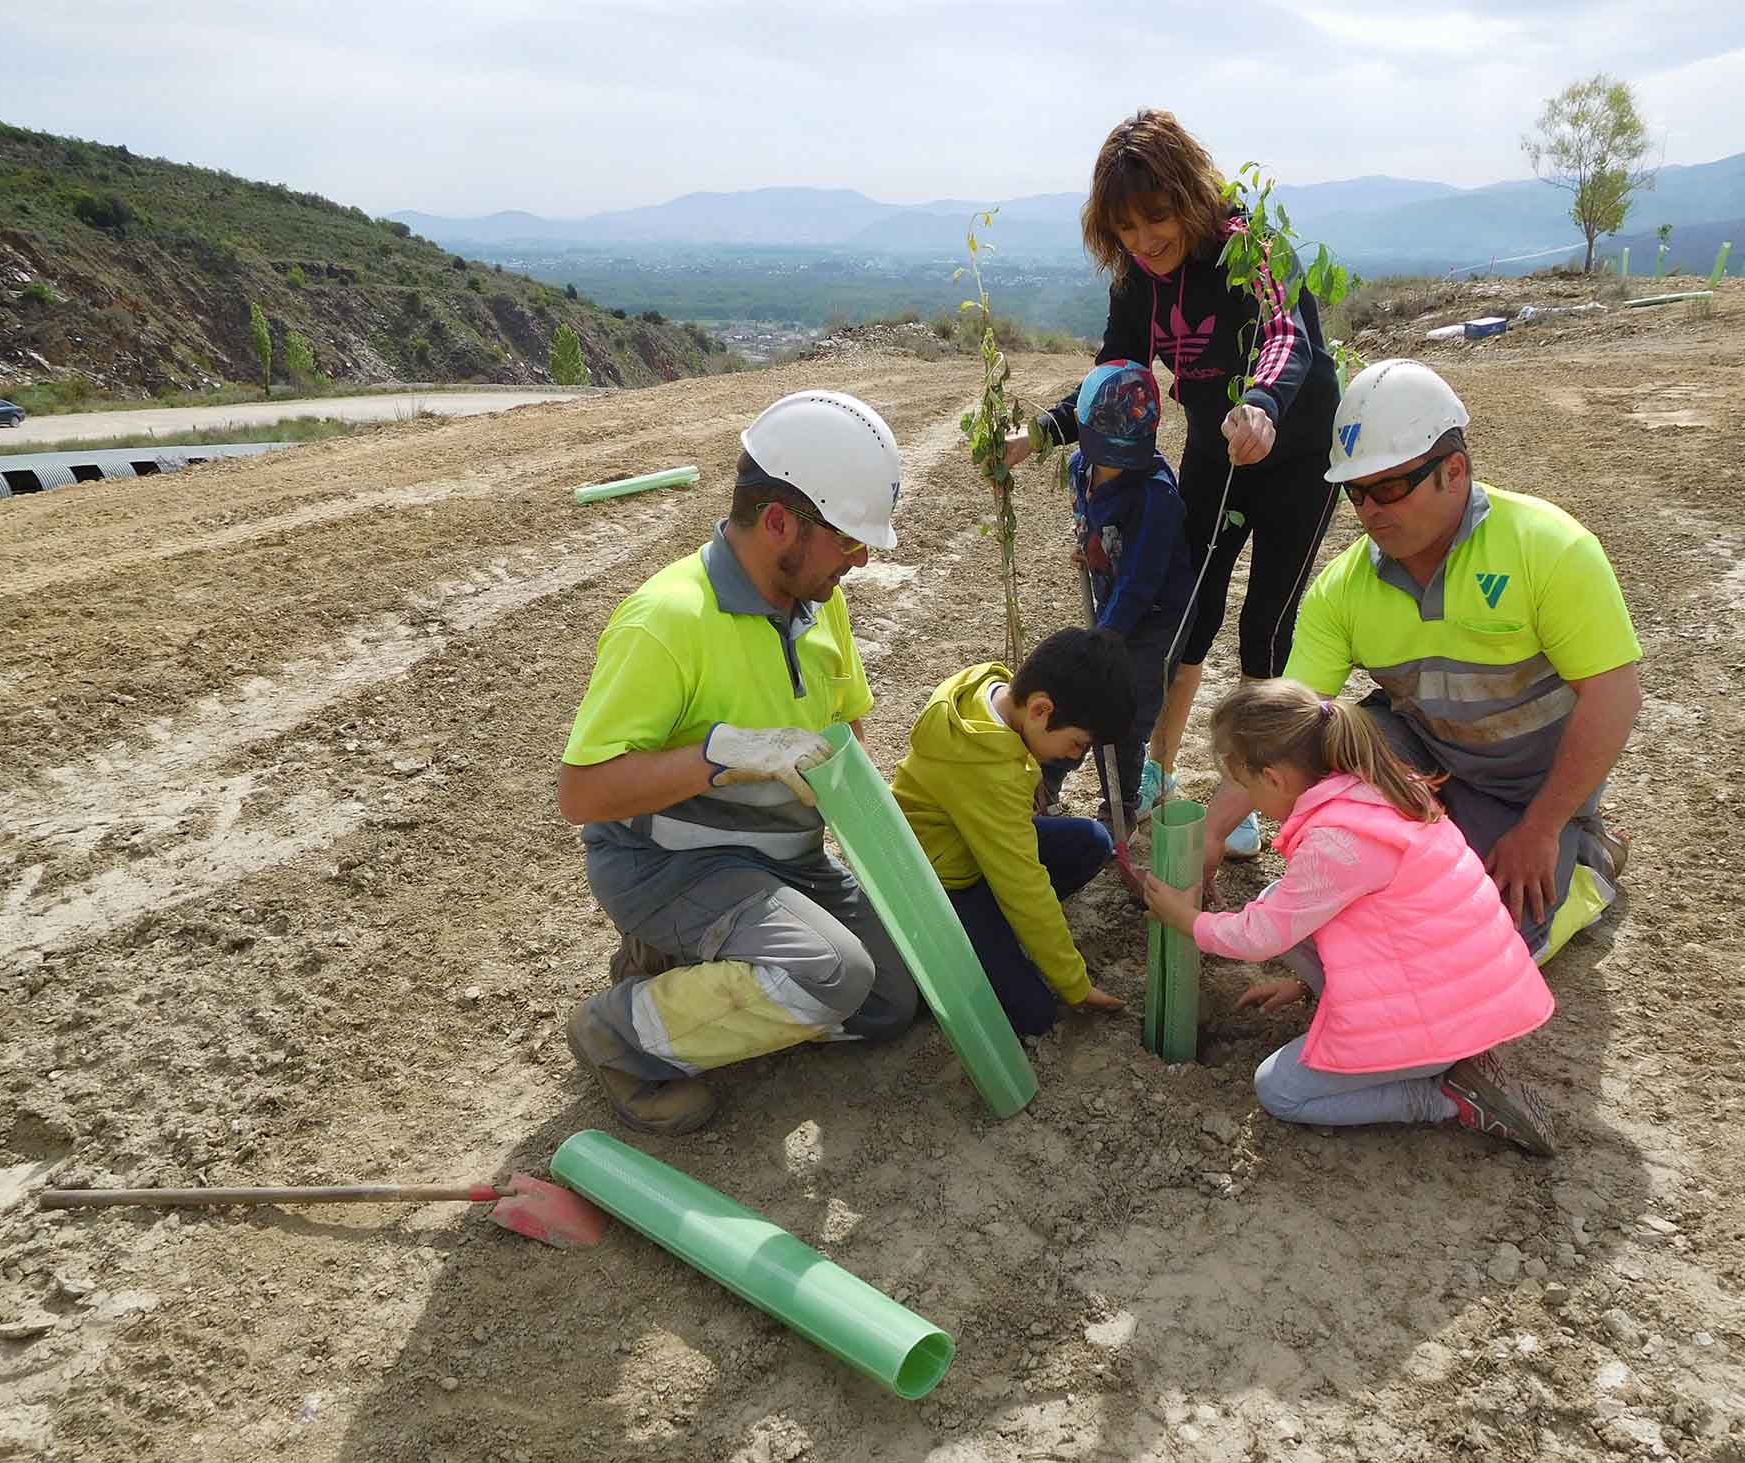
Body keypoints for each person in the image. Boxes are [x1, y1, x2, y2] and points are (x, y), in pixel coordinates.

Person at [557, 390, 919, 1136]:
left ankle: (689, 977)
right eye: (849, 540)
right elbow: (581, 794)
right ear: (780, 520)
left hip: (785, 858)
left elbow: (845, 729)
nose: (861, 559)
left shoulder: (819, 602)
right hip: (673, 867)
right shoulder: (667, 622)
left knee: (890, 997)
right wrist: (718, 757)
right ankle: (617, 1031)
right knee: (834, 974)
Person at [1202, 358, 1642, 964]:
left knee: (1487, 951)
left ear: (1453, 470)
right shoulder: (1343, 588)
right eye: (1356, 493)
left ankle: (1586, 859)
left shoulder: (1551, 549)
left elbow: (1614, 697)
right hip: (1426, 762)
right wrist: (1209, 830)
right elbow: (1284, 725)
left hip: (1531, 791)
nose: (1370, 509)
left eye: (1388, 487)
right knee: (1331, 747)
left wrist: (1540, 829)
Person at [1004, 107, 1341, 854]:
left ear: (1190, 195)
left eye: (1157, 218)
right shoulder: (1137, 278)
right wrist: (1044, 431)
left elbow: (1292, 334)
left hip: (1296, 450)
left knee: (1265, 629)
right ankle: (1157, 768)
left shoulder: (1248, 244)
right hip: (1218, 452)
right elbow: (1115, 375)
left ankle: (1252, 789)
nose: (1146, 240)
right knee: (1187, 611)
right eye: (1126, 227)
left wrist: (1261, 405)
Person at [1143, 679, 1558, 1154]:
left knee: (1279, 1090)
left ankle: (1444, 1096)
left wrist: (1187, 921)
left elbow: (1259, 935)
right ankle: (1430, 1049)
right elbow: (1380, 926)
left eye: (1250, 790)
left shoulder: (1337, 842)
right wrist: (1305, 984)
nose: (1252, 804)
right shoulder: (1370, 790)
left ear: (1275, 779)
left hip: (1437, 1016)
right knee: (1285, 897)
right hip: (1459, 994)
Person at [891, 628, 1135, 1037]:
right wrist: (1074, 984)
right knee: (1034, 1013)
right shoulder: (987, 773)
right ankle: (946, 956)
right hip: (941, 884)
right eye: (1076, 744)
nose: (1075, 759)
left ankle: (996, 934)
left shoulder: (986, 689)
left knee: (1091, 842)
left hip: (969, 843)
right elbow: (1023, 885)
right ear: (1040, 710)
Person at [1041, 359, 1195, 830]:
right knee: (1080, 693)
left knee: (1127, 712)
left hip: (1155, 618)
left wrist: (1106, 638)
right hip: (1114, 604)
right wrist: (1088, 550)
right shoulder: (1080, 467)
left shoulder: (1156, 497)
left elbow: (1142, 581)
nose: (1117, 462)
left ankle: (1120, 807)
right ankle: (1044, 784)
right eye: (1107, 450)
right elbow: (1090, 518)